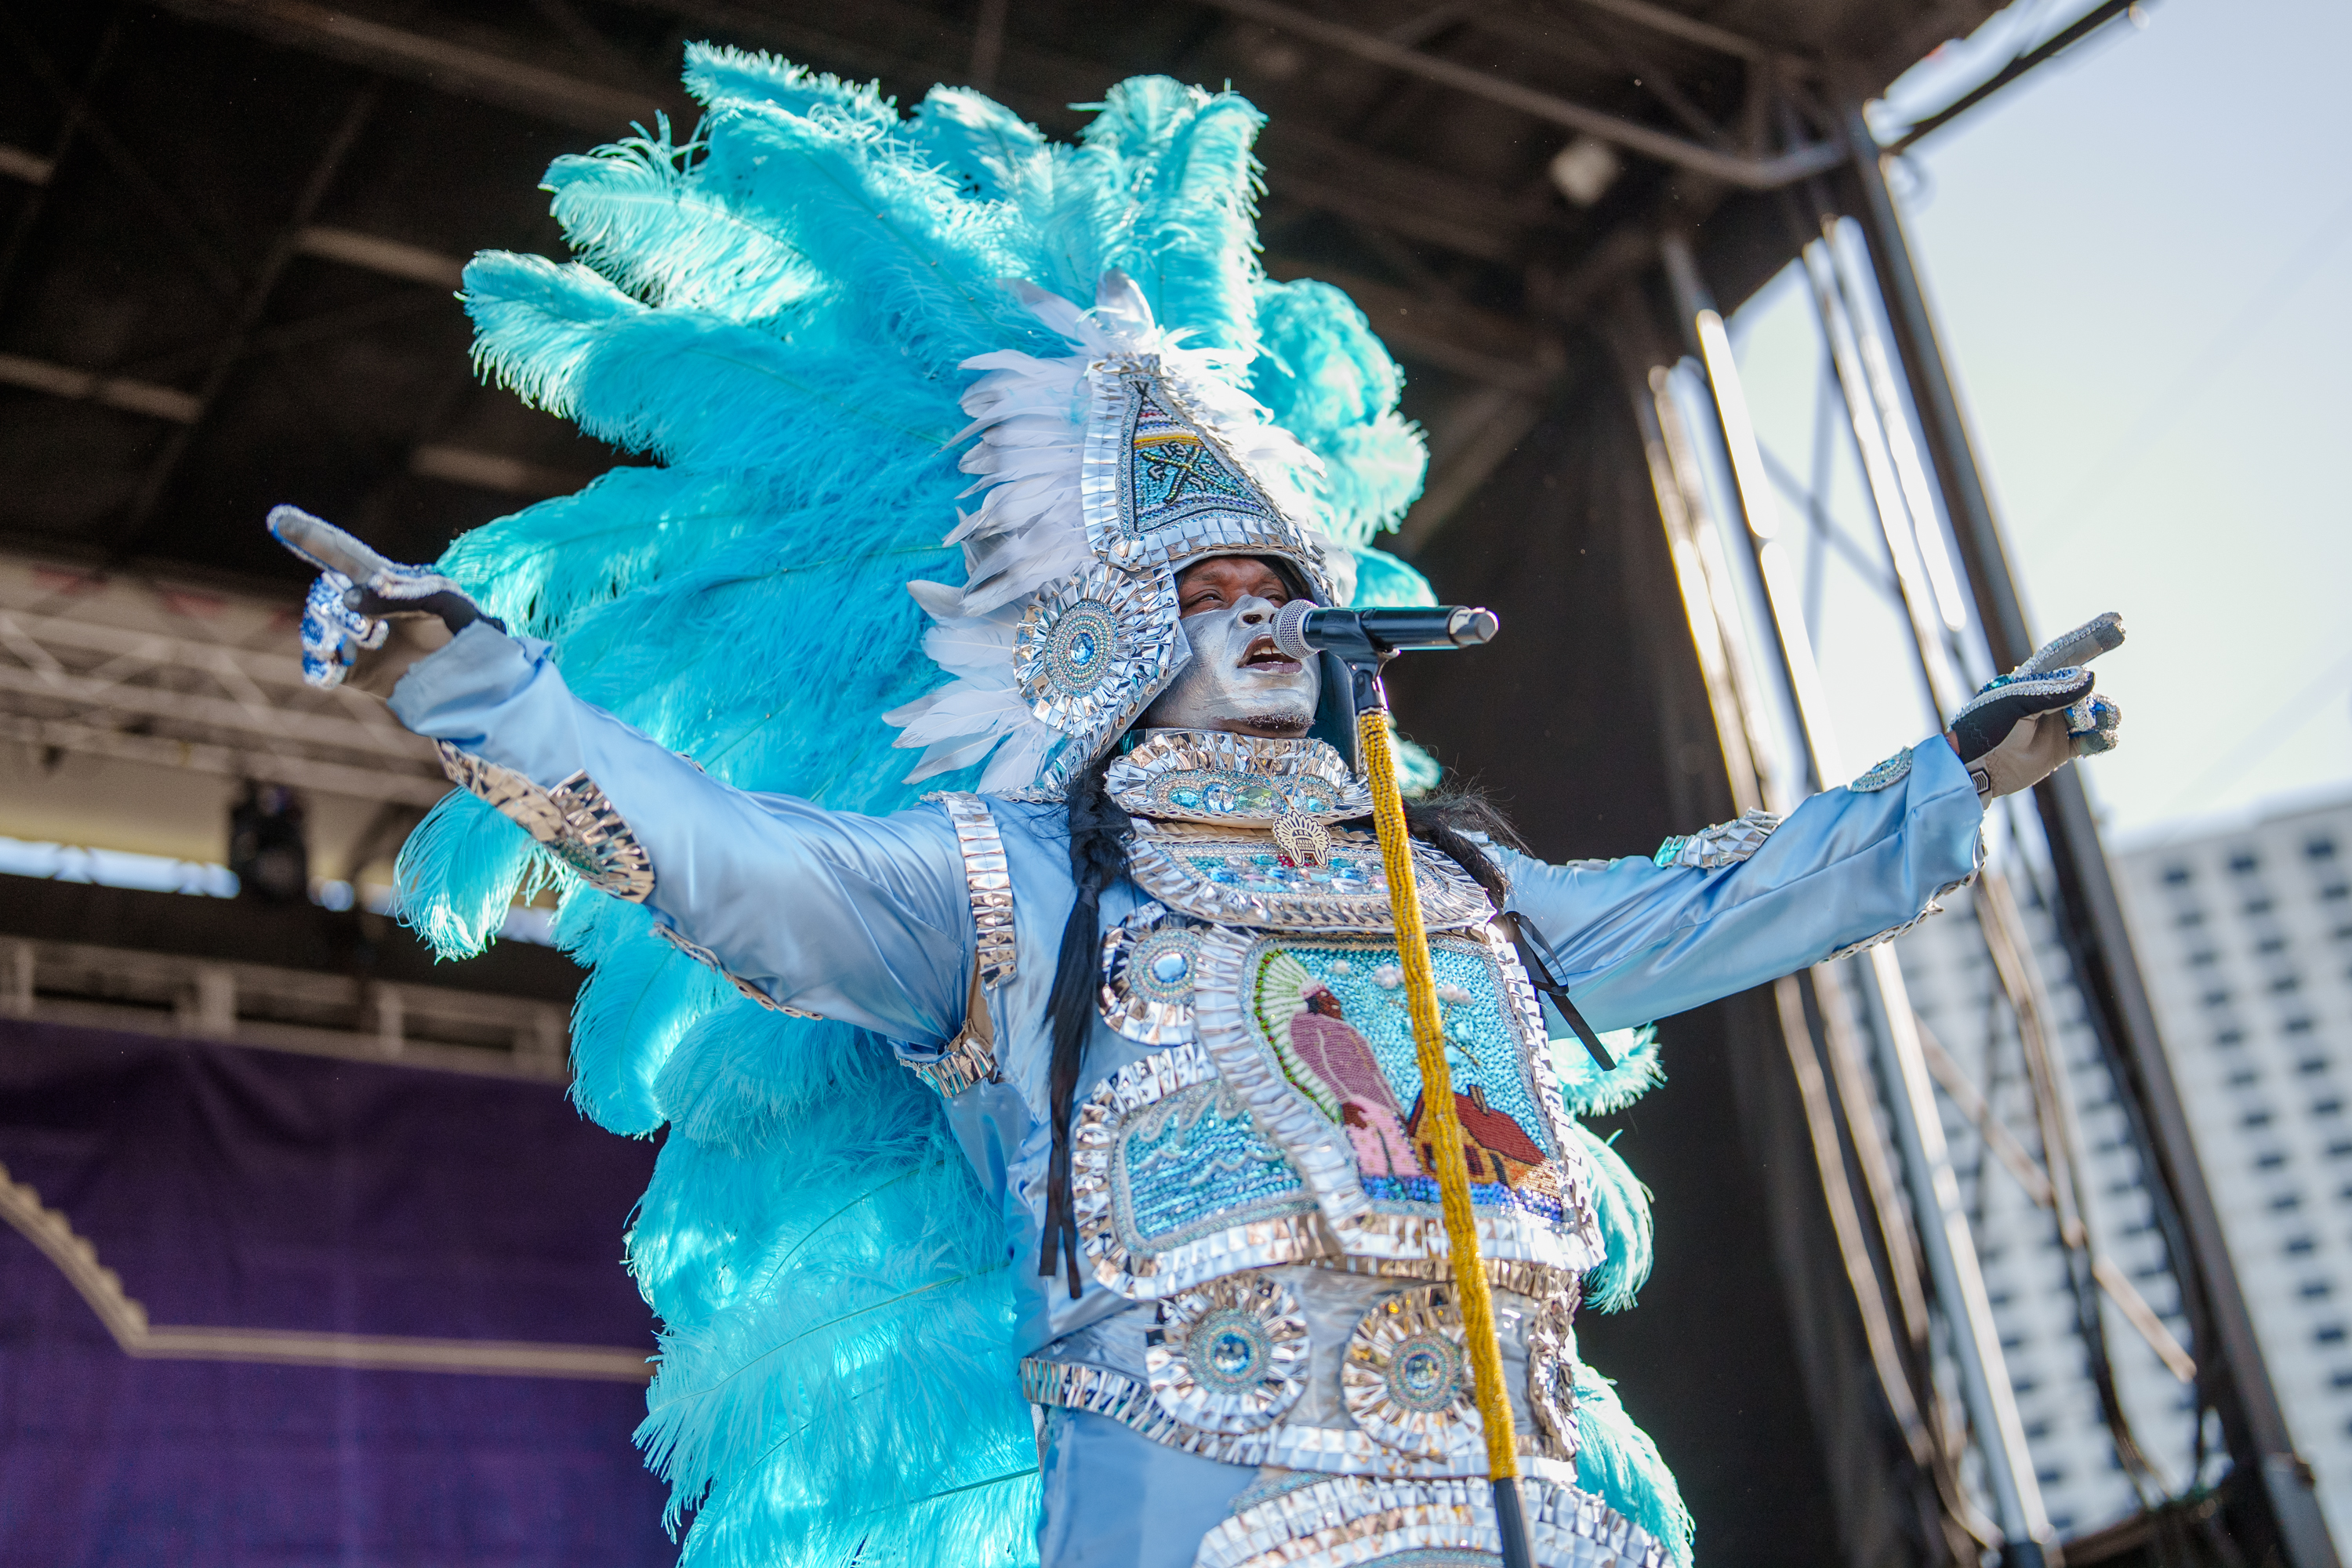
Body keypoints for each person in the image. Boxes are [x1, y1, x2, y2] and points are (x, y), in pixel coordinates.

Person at [268, 54, 2122, 1568]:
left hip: (1523, 1506)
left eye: (1274, 596)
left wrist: (1948, 776)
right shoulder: (1014, 891)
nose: (1255, 628)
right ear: (1112, 633)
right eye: (1207, 599)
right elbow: (727, 864)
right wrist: (476, 679)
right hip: (1202, 1515)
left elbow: (1717, 903)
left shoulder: (1446, 886)